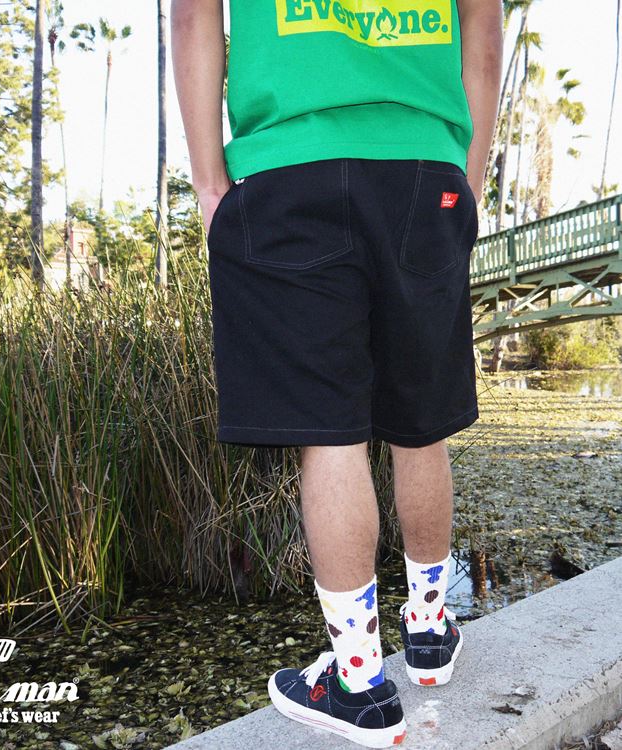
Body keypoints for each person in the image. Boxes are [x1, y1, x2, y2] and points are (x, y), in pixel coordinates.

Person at [171, 0, 503, 746]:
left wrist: (211, 184)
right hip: (424, 164)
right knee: (421, 422)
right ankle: (428, 631)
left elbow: (194, 16)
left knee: (331, 435)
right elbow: (482, 38)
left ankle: (358, 682)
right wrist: (467, 178)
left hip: (289, 165)